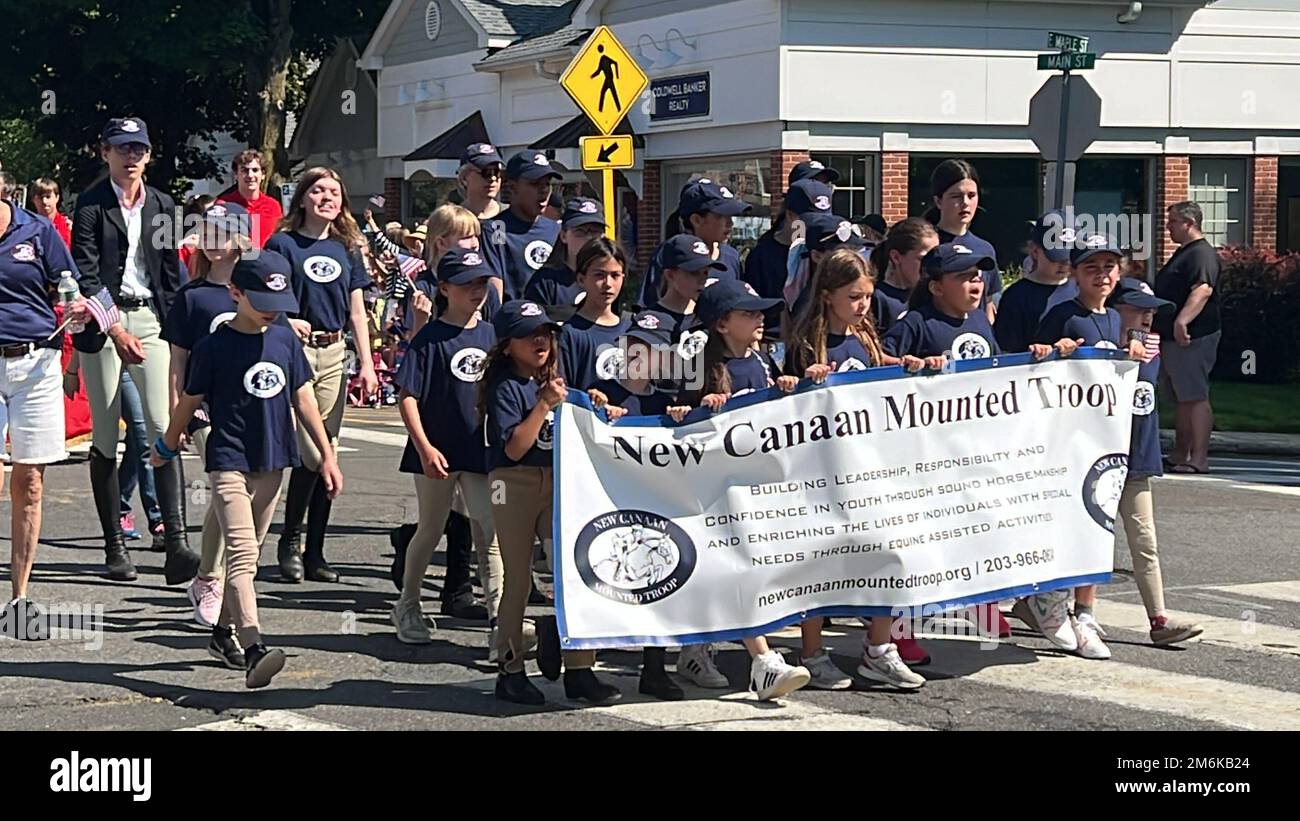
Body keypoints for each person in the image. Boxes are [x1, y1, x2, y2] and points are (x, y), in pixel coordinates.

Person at [152, 251, 342, 687]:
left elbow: (304, 399)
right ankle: (255, 645)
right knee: (241, 557)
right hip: (228, 459)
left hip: (273, 459)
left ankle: (222, 633)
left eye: (277, 300)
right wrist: (167, 443)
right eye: (259, 299)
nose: (271, 310)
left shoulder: (284, 340)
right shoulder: (213, 347)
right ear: (235, 293)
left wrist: (327, 456)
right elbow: (190, 401)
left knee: (251, 555)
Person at [884, 243, 1073, 662]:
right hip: (925, 458)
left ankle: (983, 601)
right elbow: (880, 370)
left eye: (979, 276)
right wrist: (908, 366)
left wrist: (1036, 357)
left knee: (982, 534)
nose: (975, 284)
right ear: (935, 286)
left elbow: (997, 375)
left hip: (977, 453)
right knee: (918, 550)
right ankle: (899, 631)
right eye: (964, 277)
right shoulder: (915, 323)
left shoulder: (980, 322)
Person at [783, 248, 929, 689]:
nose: (863, 304)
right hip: (820, 472)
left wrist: (906, 366)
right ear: (828, 296)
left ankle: (879, 647)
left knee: (888, 551)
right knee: (818, 562)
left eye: (866, 295)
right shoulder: (807, 341)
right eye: (853, 296)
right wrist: (807, 380)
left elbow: (876, 371)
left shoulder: (864, 335)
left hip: (868, 466)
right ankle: (812, 650)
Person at [71, 116, 200, 585]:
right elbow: (85, 275)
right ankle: (115, 544)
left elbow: (170, 277)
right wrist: (115, 329)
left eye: (139, 150)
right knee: (107, 435)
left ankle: (178, 542)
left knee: (166, 429)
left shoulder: (163, 204)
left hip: (151, 319)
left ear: (148, 155)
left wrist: (181, 330)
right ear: (105, 152)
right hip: (103, 322)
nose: (131, 158)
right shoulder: (90, 205)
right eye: (122, 149)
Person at [674, 279, 813, 700]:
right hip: (717, 490)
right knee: (736, 568)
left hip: (758, 486)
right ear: (721, 324)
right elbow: (676, 422)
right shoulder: (700, 366)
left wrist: (788, 390)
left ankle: (696, 647)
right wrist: (696, 410)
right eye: (748, 314)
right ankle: (763, 661)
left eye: (759, 313)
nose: (759, 320)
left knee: (747, 570)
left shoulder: (762, 361)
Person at [483, 299, 621, 705]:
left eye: (544, 332)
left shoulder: (555, 381)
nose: (540, 341)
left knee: (575, 574)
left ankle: (580, 668)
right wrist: (543, 404)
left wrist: (588, 403)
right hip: (514, 482)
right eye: (528, 335)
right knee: (518, 579)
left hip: (557, 480)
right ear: (508, 345)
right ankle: (509, 669)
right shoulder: (506, 385)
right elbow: (514, 448)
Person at [1024, 234, 1143, 659]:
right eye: (1092, 267)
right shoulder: (1063, 315)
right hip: (1065, 438)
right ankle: (1052, 599)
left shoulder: (1113, 318)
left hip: (1101, 440)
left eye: (1110, 266)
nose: (1103, 275)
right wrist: (1052, 351)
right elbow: (1033, 363)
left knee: (1097, 521)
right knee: (1064, 520)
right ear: (1074, 273)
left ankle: (1086, 608)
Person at [264, 167, 377, 583]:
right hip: (293, 354)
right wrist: (284, 318)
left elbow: (357, 310)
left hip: (334, 352)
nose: (326, 197)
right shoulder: (282, 243)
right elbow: (266, 294)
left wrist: (366, 362)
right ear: (303, 198)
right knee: (311, 453)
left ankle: (315, 550)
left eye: (333, 191)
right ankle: (289, 540)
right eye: (318, 191)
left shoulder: (347, 247)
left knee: (326, 450)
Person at [0, 191, 103, 637]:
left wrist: (76, 309)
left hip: (37, 362)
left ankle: (18, 599)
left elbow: (70, 288)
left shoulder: (37, 231)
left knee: (31, 483)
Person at [391, 246, 505, 649]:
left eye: (481, 282)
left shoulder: (493, 335)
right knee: (431, 527)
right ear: (444, 288)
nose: (477, 291)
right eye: (465, 284)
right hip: (437, 450)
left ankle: (499, 622)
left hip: (479, 451)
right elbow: (408, 397)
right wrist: (424, 447)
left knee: (488, 530)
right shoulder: (429, 340)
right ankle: (408, 602)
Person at [162, 201, 255, 629]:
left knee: (234, 495)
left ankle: (210, 577)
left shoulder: (253, 289)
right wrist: (176, 410)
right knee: (224, 489)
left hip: (246, 406)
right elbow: (177, 359)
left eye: (224, 231)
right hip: (202, 409)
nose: (215, 240)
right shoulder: (191, 295)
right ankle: (212, 579)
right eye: (208, 231)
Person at [1108, 278, 1205, 646]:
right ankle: (1057, 608)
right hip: (1095, 462)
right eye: (1138, 308)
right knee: (1087, 542)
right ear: (1115, 309)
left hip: (1137, 460)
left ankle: (1159, 619)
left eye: (1151, 310)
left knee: (1145, 540)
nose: (1148, 316)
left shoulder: (1152, 348)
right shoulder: (1098, 347)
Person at [1154, 201, 1221, 475]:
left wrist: (1183, 320)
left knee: (1194, 396)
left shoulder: (1201, 254)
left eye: (1172, 223)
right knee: (1182, 397)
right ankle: (1180, 453)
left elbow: (1202, 289)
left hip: (1193, 337)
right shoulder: (1184, 253)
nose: (1168, 228)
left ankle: (1199, 458)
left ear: (1189, 223)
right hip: (1173, 337)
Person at [745, 177, 835, 339]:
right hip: (776, 341)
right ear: (790, 216)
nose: (816, 228)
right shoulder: (762, 256)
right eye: (809, 222)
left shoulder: (823, 250)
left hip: (819, 338)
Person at [639, 179, 752, 307]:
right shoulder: (669, 254)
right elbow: (649, 306)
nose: (730, 223)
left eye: (731, 216)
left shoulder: (731, 257)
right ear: (696, 220)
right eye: (720, 216)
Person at [927, 159, 1002, 324]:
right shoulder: (927, 244)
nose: (965, 203)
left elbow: (987, 303)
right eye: (956, 196)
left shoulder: (984, 248)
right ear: (939, 201)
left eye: (971, 195)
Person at [993, 211, 1079, 353]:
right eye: (1057, 258)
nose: (1065, 263)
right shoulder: (1016, 297)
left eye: (1071, 256)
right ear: (1034, 251)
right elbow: (1006, 352)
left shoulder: (1083, 289)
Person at [481, 151, 561, 302]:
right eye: (535, 184)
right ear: (512, 187)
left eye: (547, 184)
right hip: (515, 319)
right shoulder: (496, 229)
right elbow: (494, 285)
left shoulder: (557, 230)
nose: (543, 190)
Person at [558, 237, 631, 391]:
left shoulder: (632, 328)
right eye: (599, 275)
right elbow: (564, 391)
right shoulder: (570, 334)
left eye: (615, 275)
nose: (608, 284)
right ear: (581, 279)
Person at [524, 198, 606, 311]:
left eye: (595, 232)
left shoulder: (610, 279)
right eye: (580, 232)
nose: (588, 238)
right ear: (563, 236)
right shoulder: (545, 282)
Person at [643, 234, 726, 343]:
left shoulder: (711, 319)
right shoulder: (649, 321)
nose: (702, 280)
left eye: (705, 272)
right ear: (670, 275)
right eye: (694, 272)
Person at [116, 370, 164, 548]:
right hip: (123, 367)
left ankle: (119, 508)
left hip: (153, 362)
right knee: (144, 440)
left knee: (136, 441)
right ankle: (158, 521)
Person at [217, 149, 283, 249]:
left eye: (255, 170)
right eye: (244, 170)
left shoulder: (273, 206)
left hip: (265, 262)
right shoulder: (223, 205)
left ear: (263, 175)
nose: (250, 175)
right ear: (236, 175)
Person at [455, 142, 504, 222]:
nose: (493, 178)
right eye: (486, 172)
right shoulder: (451, 220)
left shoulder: (514, 216)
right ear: (464, 178)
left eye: (496, 172)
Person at [26, 178, 72, 248]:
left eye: (48, 197)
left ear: (57, 198)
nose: (44, 201)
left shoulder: (67, 226)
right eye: (40, 197)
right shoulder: (27, 227)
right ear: (33, 199)